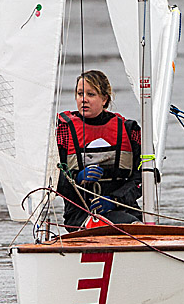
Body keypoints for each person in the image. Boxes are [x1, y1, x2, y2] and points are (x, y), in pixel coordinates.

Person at [55, 70, 143, 230]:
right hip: (80, 215)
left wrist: (114, 200)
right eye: (80, 94)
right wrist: (77, 178)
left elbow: (141, 179)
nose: (84, 100)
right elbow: (51, 180)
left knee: (128, 222)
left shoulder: (129, 130)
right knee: (107, 223)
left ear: (104, 99)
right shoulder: (63, 131)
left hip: (122, 209)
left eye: (91, 94)